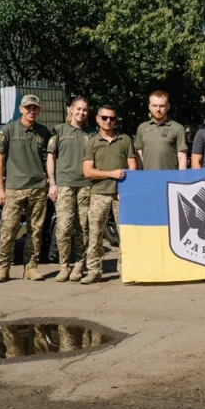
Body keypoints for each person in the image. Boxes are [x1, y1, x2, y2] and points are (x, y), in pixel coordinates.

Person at [0, 94, 51, 283]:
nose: (31, 111)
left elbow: (51, 158)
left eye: (34, 108)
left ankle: (31, 268)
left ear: (39, 110)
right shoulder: (8, 130)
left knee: (35, 230)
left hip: (37, 188)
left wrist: (49, 179)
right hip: (14, 188)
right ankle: (3, 268)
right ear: (21, 109)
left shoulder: (44, 132)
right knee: (9, 229)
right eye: (28, 108)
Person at [80, 105, 137, 284]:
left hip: (121, 194)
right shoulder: (92, 142)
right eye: (104, 118)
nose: (108, 121)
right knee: (95, 233)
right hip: (99, 193)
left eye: (111, 118)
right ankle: (94, 271)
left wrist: (126, 189)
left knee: (125, 234)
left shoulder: (125, 140)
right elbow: (88, 171)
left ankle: (126, 270)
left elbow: (133, 167)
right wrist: (111, 174)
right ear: (97, 119)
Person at [46, 96, 93, 283]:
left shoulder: (91, 133)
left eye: (85, 110)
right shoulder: (59, 130)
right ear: (70, 110)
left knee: (83, 227)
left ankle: (79, 265)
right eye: (78, 109)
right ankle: (64, 266)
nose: (81, 113)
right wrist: (52, 183)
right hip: (64, 184)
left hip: (85, 185)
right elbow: (51, 157)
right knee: (64, 227)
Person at [134, 90, 188, 170]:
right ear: (149, 106)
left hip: (169, 179)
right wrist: (140, 176)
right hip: (148, 177)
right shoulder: (142, 128)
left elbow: (182, 157)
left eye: (161, 106)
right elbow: (139, 155)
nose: (158, 109)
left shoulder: (178, 128)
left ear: (168, 106)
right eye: (154, 106)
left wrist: (182, 179)